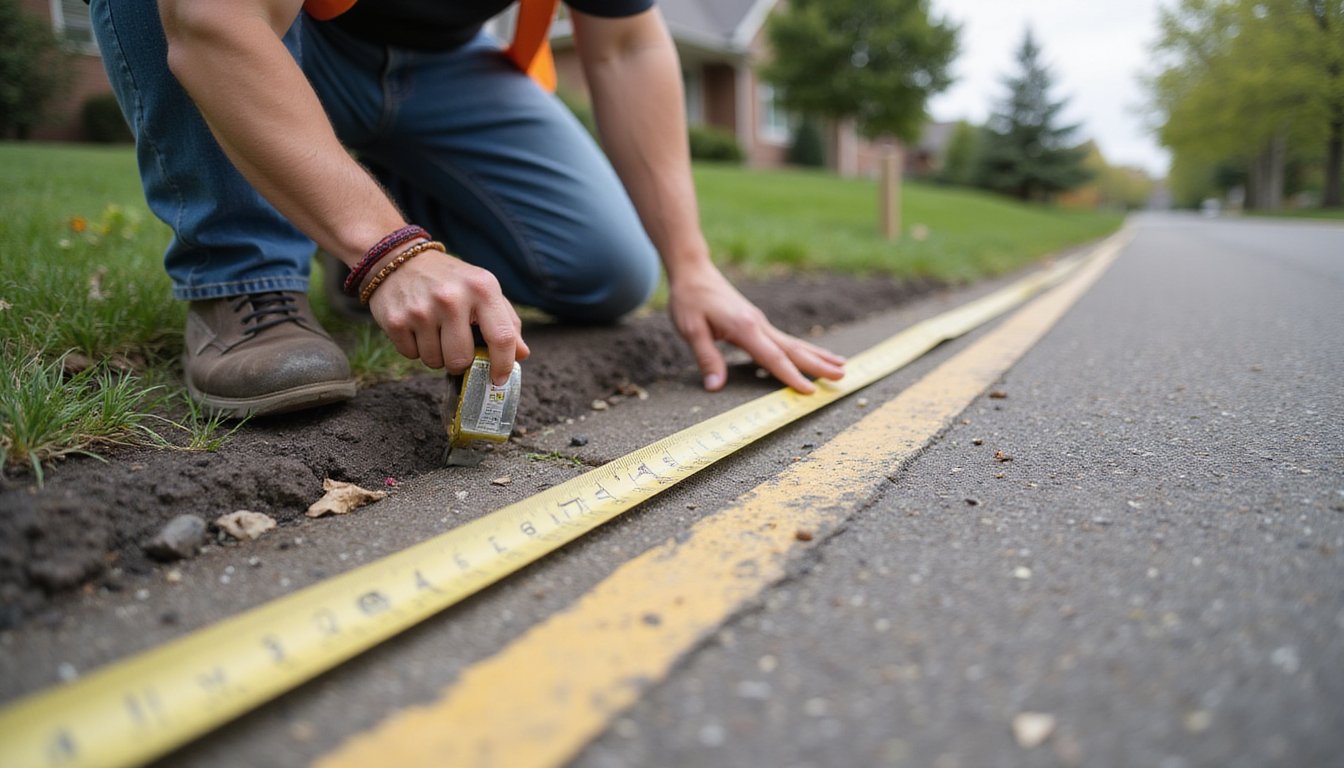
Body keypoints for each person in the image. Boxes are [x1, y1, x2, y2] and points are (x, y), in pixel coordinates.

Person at [90, 0, 846, 417]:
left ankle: (341, 219)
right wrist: (391, 252)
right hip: (284, 34)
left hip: (443, 61)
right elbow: (215, 23)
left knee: (607, 271)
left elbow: (625, 45)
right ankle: (245, 277)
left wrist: (692, 263)